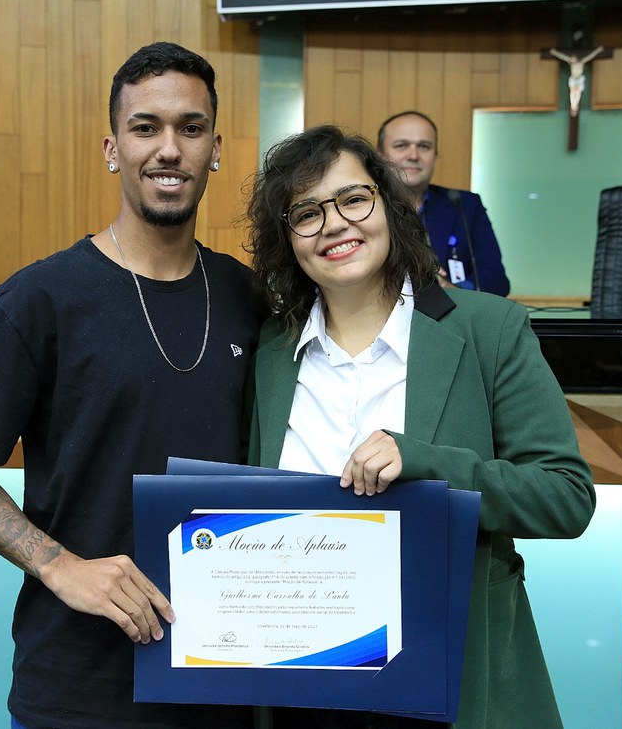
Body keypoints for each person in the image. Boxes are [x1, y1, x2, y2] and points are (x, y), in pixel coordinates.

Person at [0, 42, 262, 729]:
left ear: (214, 150)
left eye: (190, 128)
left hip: (223, 678)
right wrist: (59, 565)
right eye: (145, 127)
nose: (168, 149)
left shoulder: (248, 297)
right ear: (114, 149)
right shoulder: (38, 299)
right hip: (76, 689)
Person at [244, 125, 595, 729]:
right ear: (287, 238)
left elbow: (565, 498)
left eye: (353, 199)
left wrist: (429, 466)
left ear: (389, 204)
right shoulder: (271, 353)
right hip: (302, 689)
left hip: (448, 683)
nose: (334, 224)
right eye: (306, 213)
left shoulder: (489, 330)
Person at [377, 111, 510, 296]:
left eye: (424, 146)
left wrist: (453, 291)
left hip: (452, 311)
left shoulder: (464, 205)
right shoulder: (363, 207)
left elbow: (496, 280)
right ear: (380, 155)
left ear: (435, 155)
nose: (413, 155)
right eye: (401, 146)